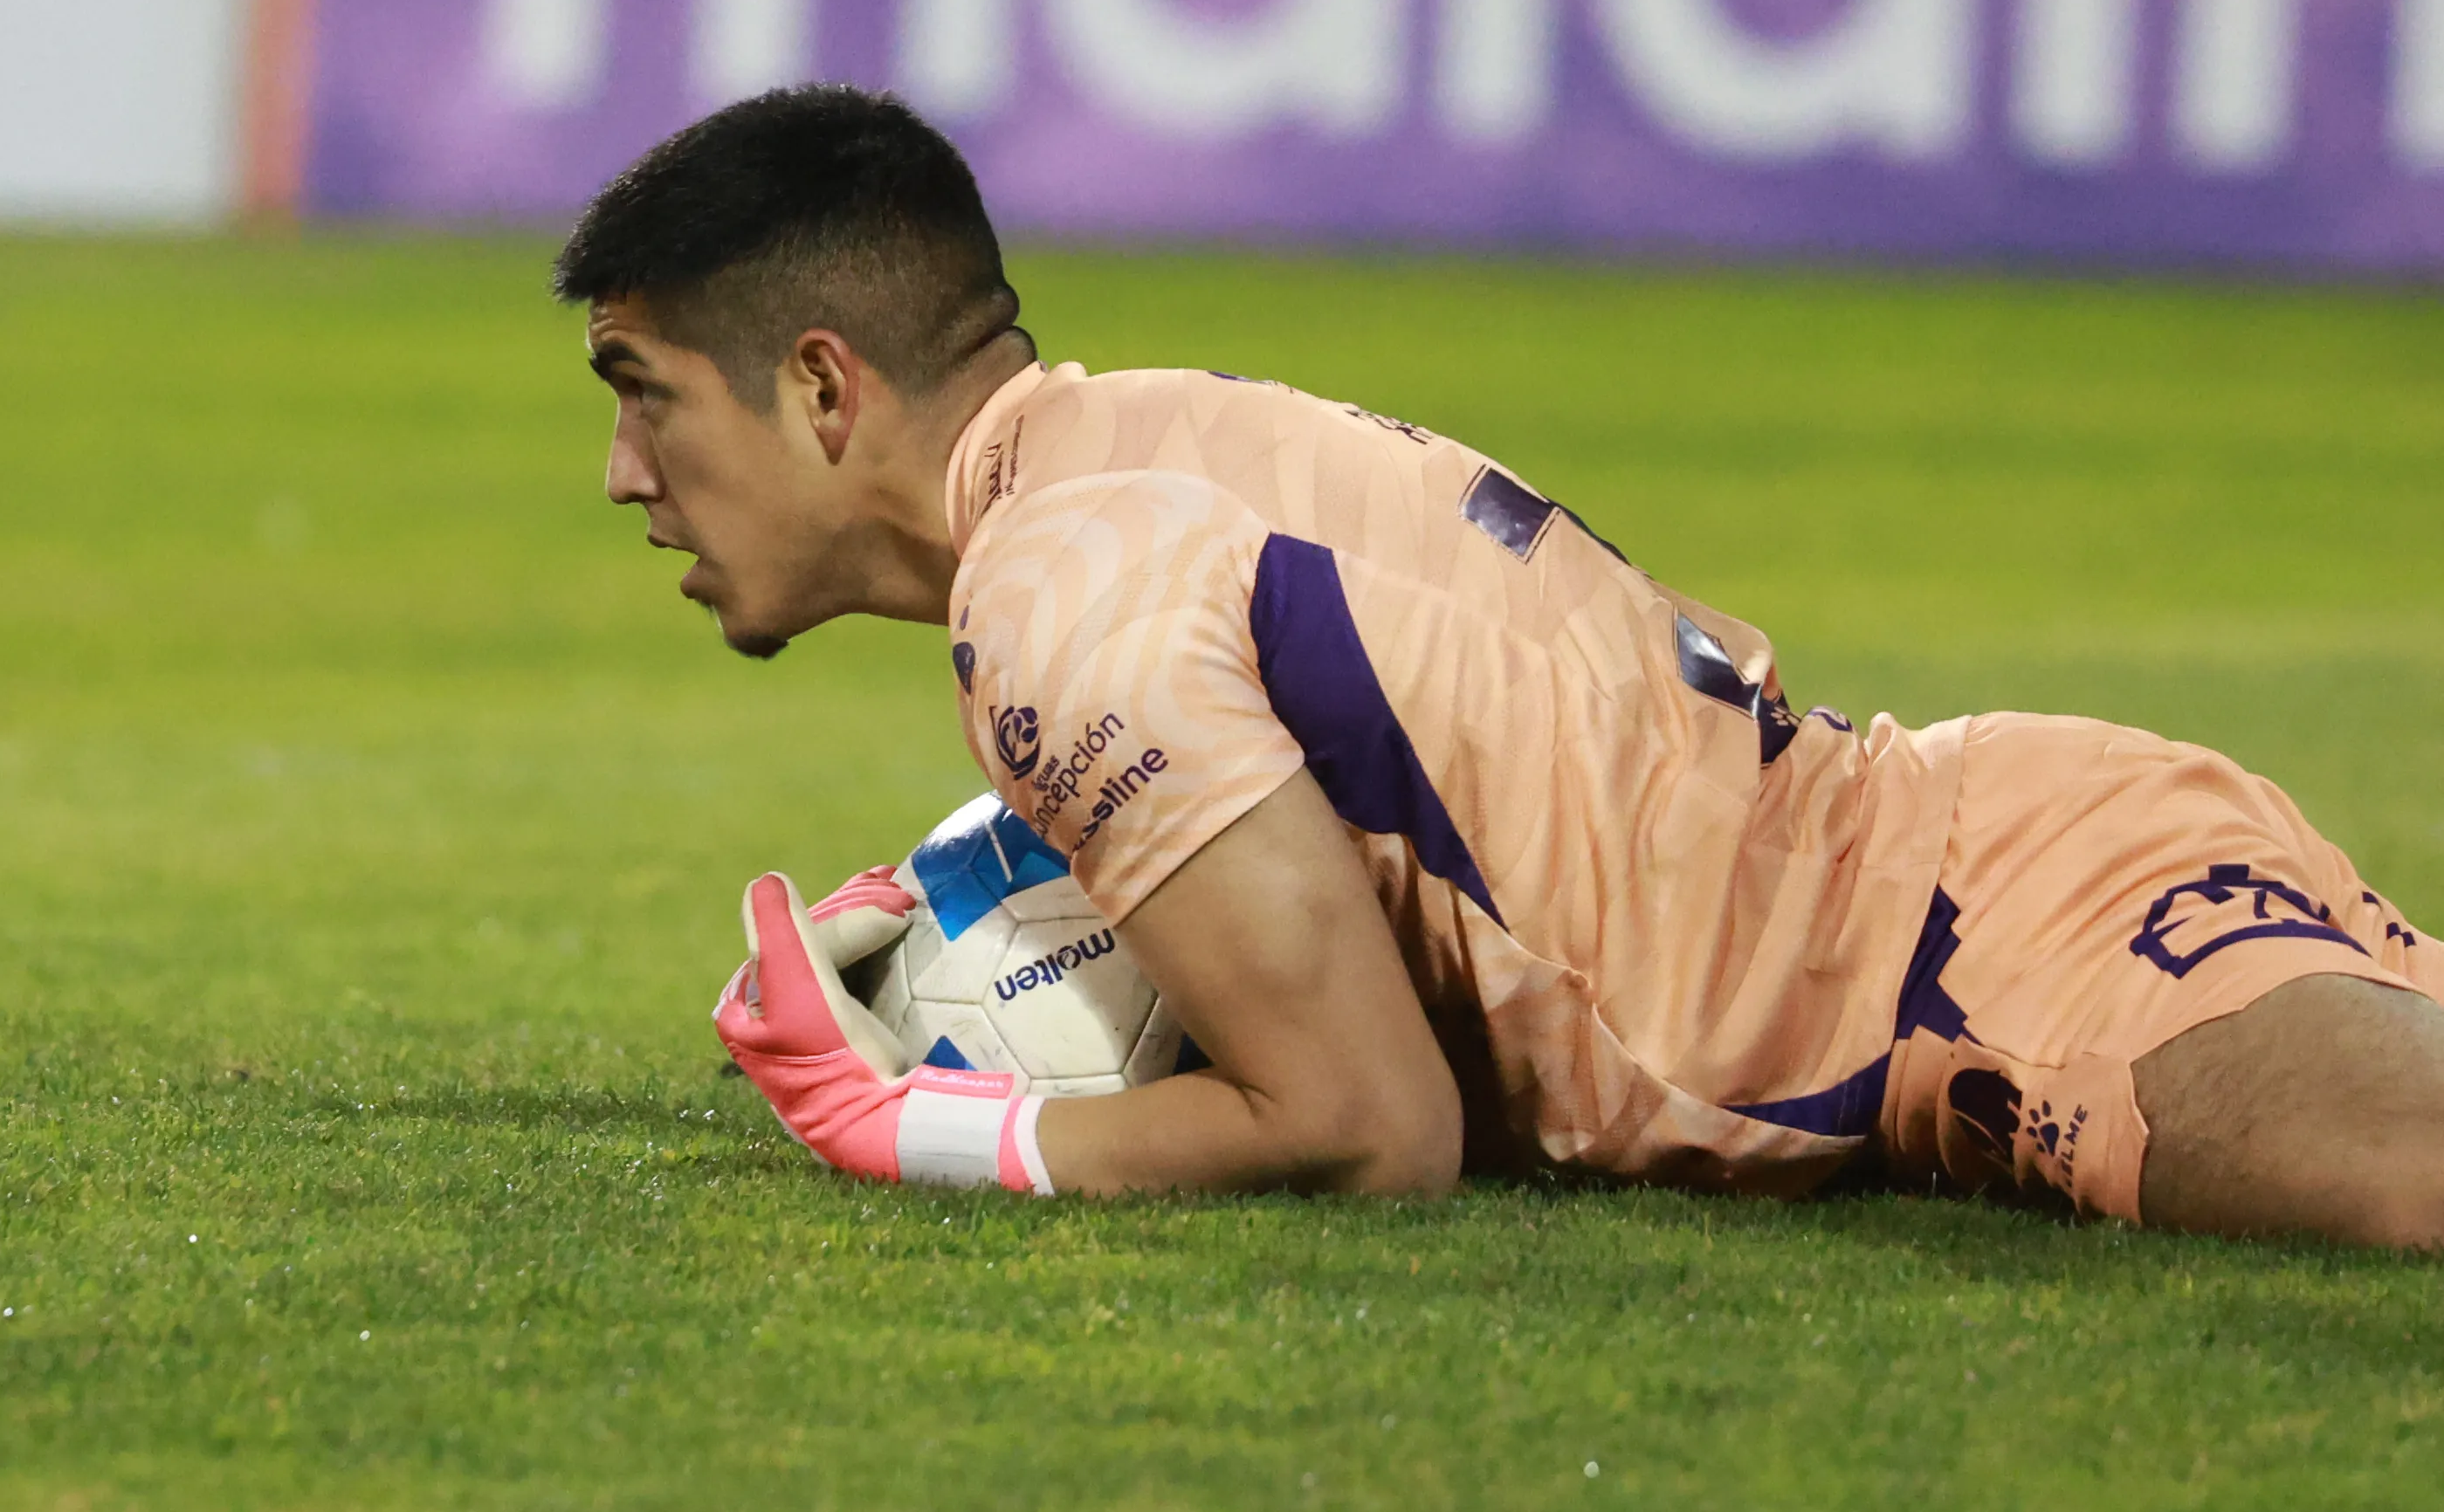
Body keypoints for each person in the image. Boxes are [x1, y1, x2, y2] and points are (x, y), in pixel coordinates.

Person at [559, 84, 2444, 1247]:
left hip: (1986, 955)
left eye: (645, 398)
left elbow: (1370, 1132)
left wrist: (923, 1129)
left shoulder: (1053, 604)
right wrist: (1005, 862)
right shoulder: (1118, 455)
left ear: (820, 385)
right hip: (1989, 850)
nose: (625, 474)